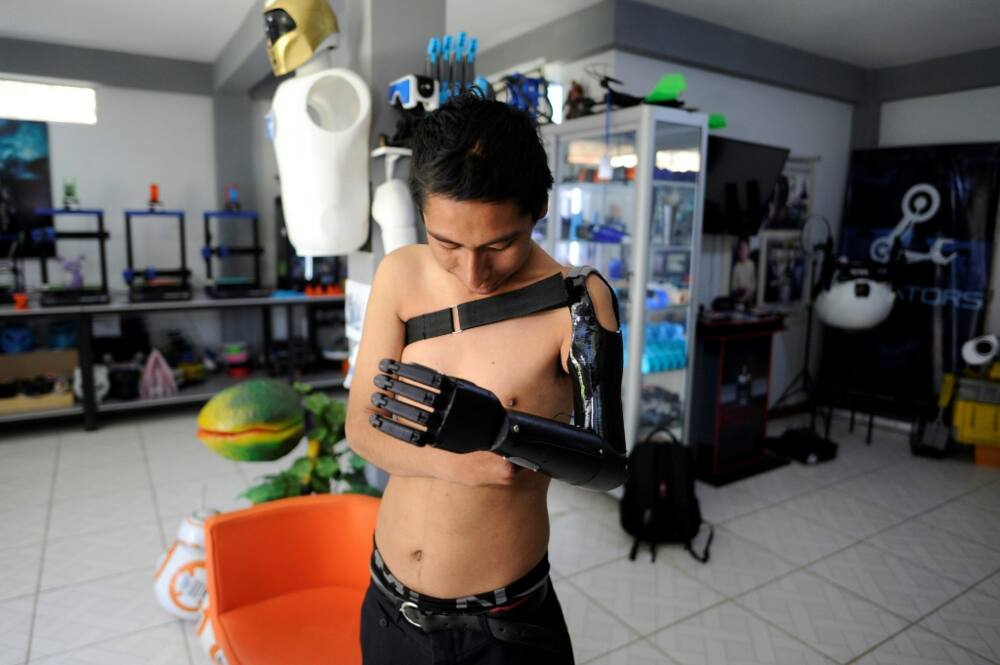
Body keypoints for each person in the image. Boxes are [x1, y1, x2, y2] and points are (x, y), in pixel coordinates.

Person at [344, 93, 627, 665]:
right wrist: (458, 463)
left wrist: (508, 434)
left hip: (500, 628)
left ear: (539, 208)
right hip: (388, 604)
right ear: (422, 211)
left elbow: (609, 467)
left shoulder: (577, 301)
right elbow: (361, 428)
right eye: (447, 243)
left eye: (500, 244)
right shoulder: (400, 274)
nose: (473, 272)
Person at [730, 236, 756, 305]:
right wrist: (739, 289)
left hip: (750, 300)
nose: (743, 252)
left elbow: (753, 283)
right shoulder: (736, 267)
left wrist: (749, 290)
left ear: (748, 251)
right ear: (738, 252)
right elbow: (733, 287)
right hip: (739, 301)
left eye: (745, 249)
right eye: (741, 249)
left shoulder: (751, 264)